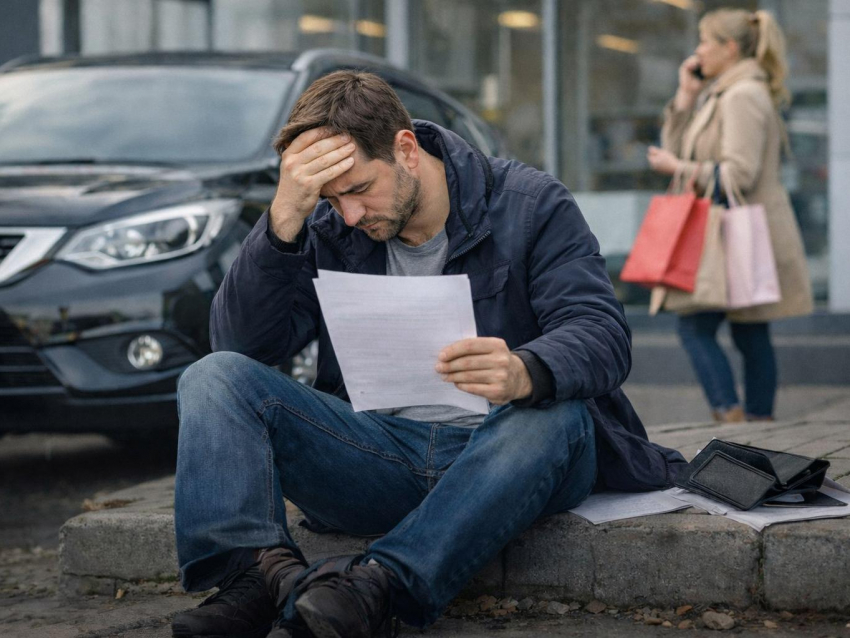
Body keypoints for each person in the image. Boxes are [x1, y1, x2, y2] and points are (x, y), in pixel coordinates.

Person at [172, 71, 685, 638]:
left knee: (558, 412)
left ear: (405, 149)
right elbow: (243, 347)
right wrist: (284, 220)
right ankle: (256, 581)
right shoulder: (326, 228)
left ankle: (379, 588)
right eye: (328, 197)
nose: (348, 214)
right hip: (377, 455)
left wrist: (524, 370)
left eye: (360, 188)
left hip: (509, 454)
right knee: (212, 377)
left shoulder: (530, 204)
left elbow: (601, 333)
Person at [647, 8, 813, 423]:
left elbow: (740, 172)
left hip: (739, 231)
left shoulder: (743, 95)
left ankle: (734, 416)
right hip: (727, 231)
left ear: (730, 47)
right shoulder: (723, 91)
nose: (698, 50)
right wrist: (685, 96)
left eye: (705, 41)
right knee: (748, 332)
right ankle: (757, 422)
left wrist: (677, 170)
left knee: (698, 328)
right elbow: (683, 148)